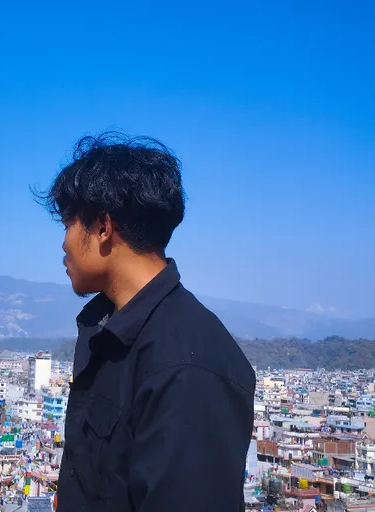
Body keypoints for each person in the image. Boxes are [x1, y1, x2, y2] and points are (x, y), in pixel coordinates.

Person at [35, 132, 255, 511]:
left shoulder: (187, 366)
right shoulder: (113, 335)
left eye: (69, 223)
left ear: (103, 228)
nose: (63, 243)